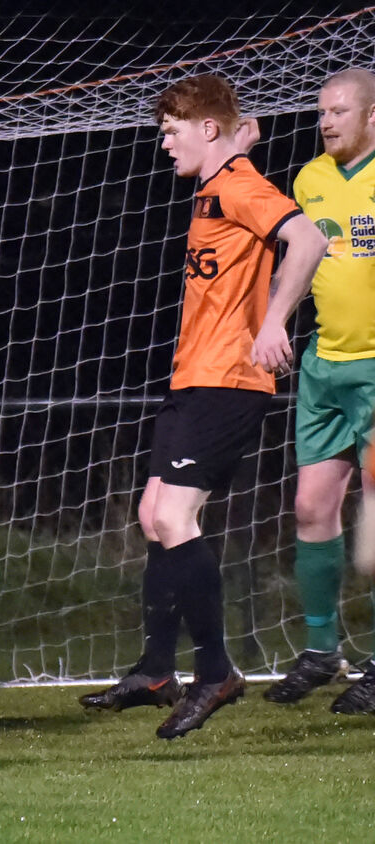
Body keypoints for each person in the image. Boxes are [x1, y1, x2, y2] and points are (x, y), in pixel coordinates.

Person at [78, 74, 328, 739]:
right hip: (194, 377)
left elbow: (307, 240)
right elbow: (240, 135)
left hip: (230, 381)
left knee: (173, 514)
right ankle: (157, 669)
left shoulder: (239, 187)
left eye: (171, 130)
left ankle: (215, 671)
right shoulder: (217, 183)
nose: (163, 143)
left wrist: (276, 319)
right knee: (151, 515)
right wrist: (241, 131)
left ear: (205, 129)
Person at [263, 68, 375, 712]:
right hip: (324, 364)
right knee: (311, 508)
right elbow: (299, 263)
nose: (326, 120)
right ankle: (321, 650)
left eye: (339, 110)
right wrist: (275, 320)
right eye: (321, 111)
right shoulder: (308, 179)